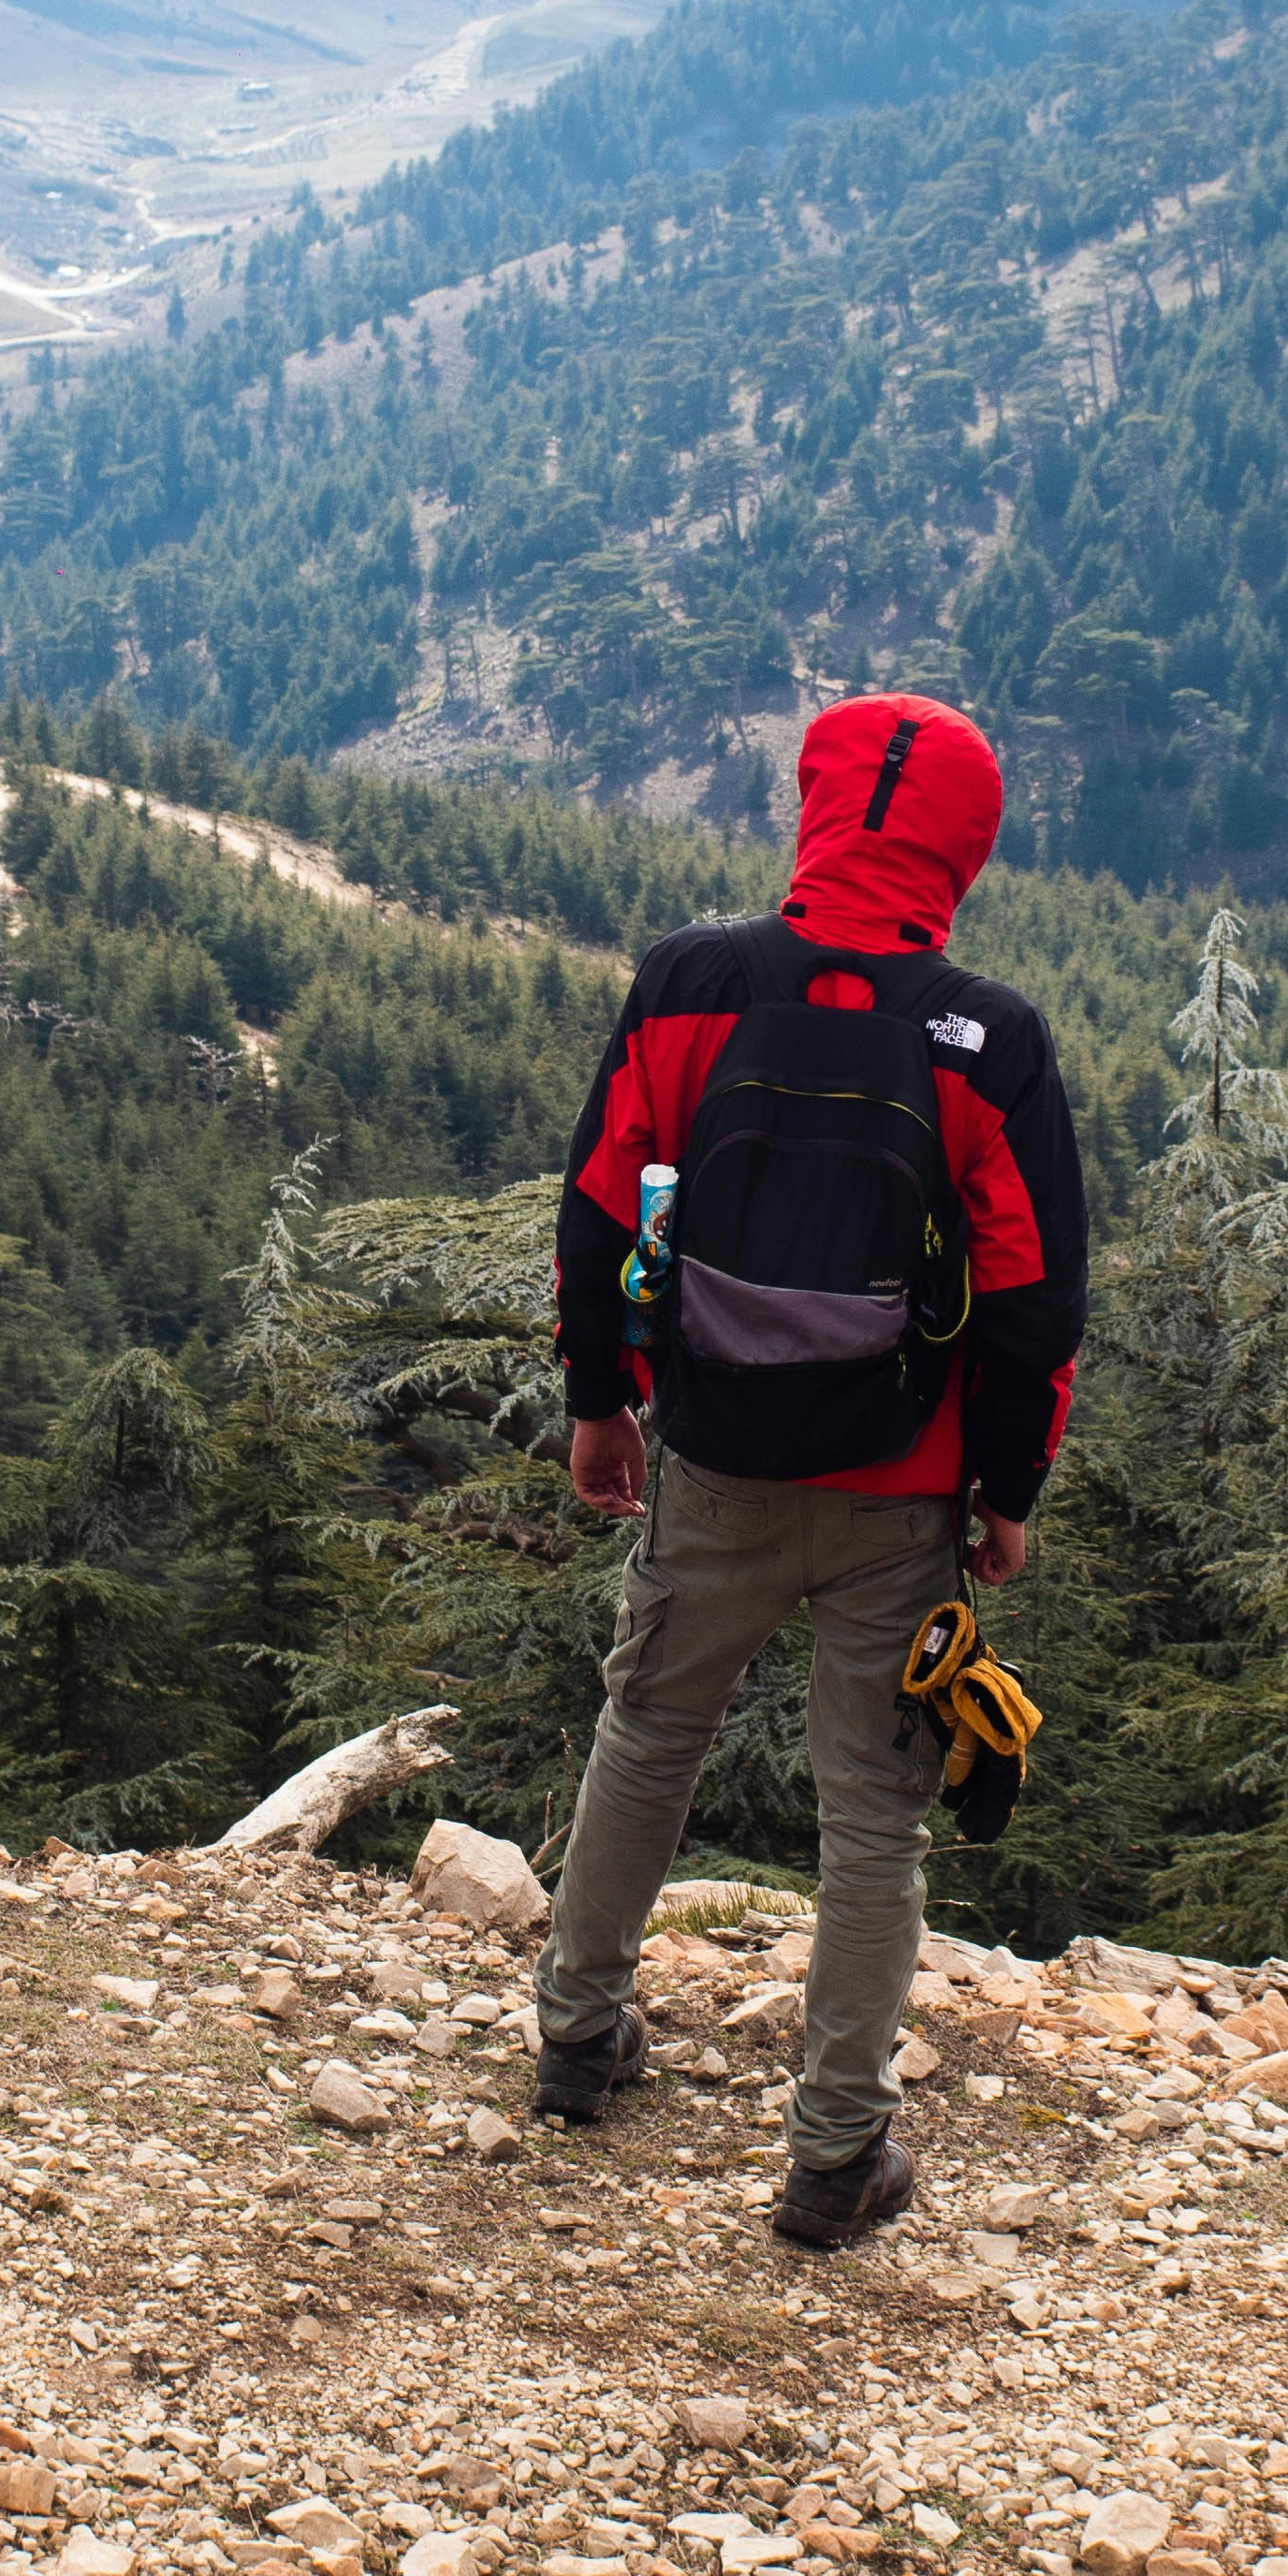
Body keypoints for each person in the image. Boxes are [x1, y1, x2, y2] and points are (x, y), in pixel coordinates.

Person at [532, 690, 1088, 2247]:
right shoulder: (990, 1038)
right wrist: (1004, 1494)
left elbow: (598, 1204)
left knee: (646, 1734)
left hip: (704, 1453)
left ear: (815, 807)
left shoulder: (687, 981)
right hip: (897, 1490)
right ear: (962, 845)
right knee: (873, 1824)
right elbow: (1034, 1299)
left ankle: (577, 2039)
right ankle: (835, 2155)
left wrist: (601, 1402)